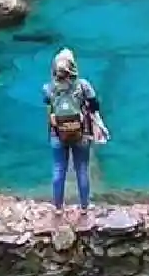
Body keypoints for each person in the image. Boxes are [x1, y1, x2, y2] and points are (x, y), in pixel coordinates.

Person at [44, 48, 107, 211]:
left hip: (57, 134)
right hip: (81, 133)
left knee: (59, 168)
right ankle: (84, 206)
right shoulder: (83, 85)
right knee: (82, 168)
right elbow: (95, 105)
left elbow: (48, 105)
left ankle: (58, 206)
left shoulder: (48, 88)